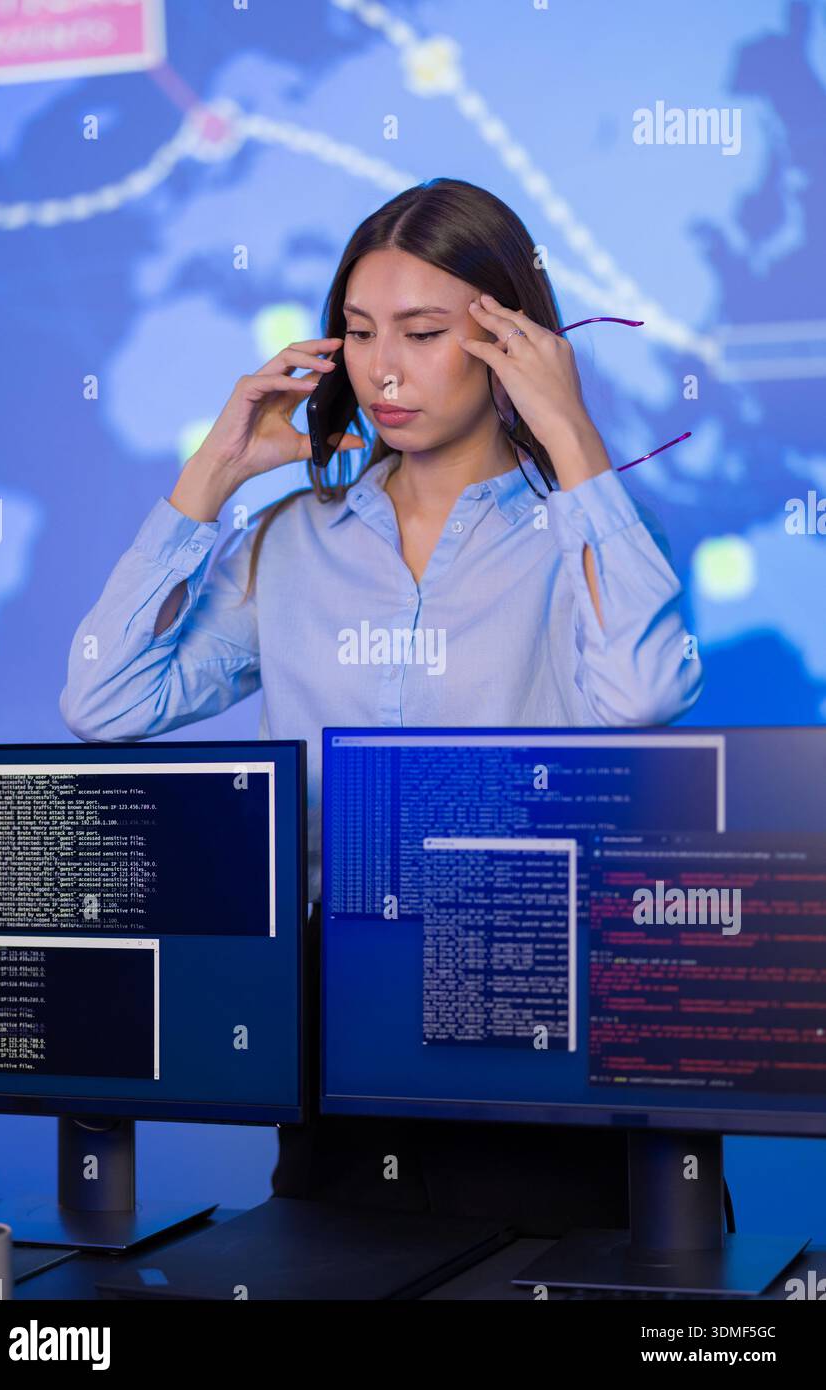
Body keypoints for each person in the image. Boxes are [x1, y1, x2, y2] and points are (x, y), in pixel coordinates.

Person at [60, 177, 702, 1235]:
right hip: (340, 1060)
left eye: (422, 330)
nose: (385, 368)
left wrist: (571, 430)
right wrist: (214, 470)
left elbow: (641, 697)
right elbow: (103, 696)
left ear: (508, 341)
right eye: (359, 332)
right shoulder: (290, 541)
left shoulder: (587, 536)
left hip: (539, 1047)